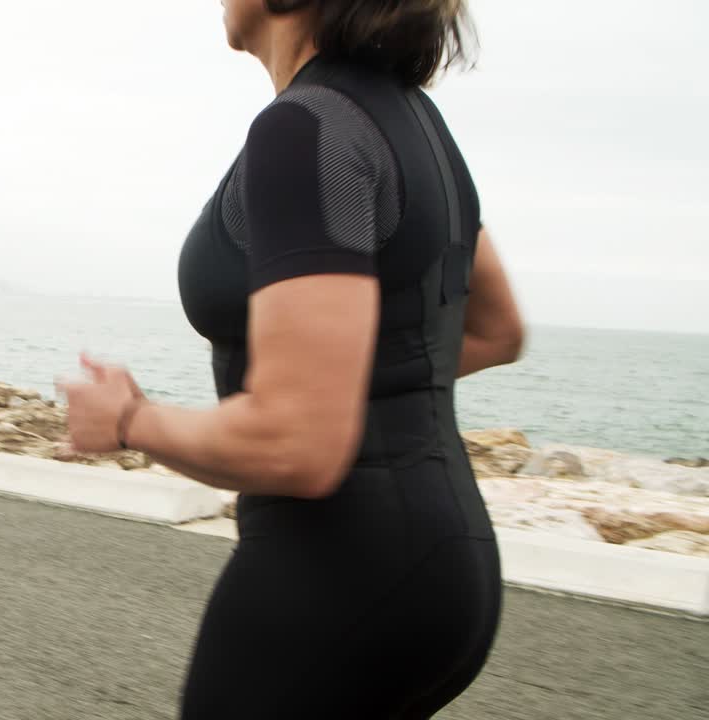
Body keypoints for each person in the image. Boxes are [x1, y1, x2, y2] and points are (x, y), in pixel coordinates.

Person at [55, 0, 526, 717]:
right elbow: (497, 330)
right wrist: (335, 383)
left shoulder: (305, 131)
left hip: (337, 573)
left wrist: (129, 420)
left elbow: (297, 443)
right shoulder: (415, 126)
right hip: (451, 567)